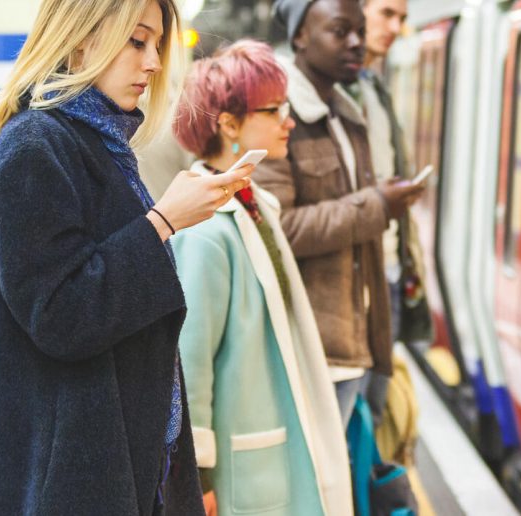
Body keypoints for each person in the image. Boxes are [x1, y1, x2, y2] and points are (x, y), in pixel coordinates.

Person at [0, 0, 254, 513]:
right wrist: (163, 221)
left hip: (106, 464)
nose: (154, 62)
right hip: (65, 479)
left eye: (158, 45)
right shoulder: (34, 147)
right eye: (136, 41)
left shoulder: (96, 143)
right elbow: (62, 316)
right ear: (80, 39)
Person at [171, 40, 352, 516]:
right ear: (228, 124)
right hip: (239, 470)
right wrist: (198, 478)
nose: (288, 121)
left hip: (269, 448)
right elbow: (190, 364)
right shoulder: (206, 231)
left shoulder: (253, 203)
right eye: (274, 110)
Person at [260, 0, 425, 428]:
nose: (356, 43)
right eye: (339, 31)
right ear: (300, 36)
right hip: (313, 349)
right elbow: (279, 228)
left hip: (356, 337)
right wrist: (379, 205)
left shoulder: (347, 117)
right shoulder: (275, 115)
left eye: (358, 30)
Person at [350, 0, 435, 373]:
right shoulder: (340, 90)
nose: (396, 27)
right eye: (386, 13)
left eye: (401, 18)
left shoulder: (373, 87)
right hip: (361, 275)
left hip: (389, 265)